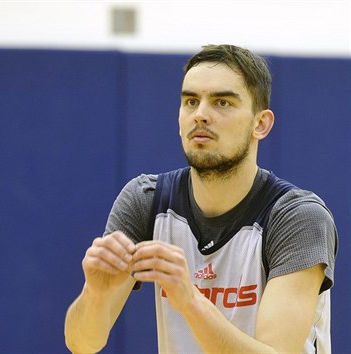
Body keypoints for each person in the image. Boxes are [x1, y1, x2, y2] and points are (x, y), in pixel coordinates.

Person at [64, 44, 338, 354]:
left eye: (222, 102)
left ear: (260, 124)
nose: (201, 115)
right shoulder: (145, 200)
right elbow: (82, 343)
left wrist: (191, 300)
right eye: (191, 101)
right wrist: (95, 294)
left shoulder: (298, 217)